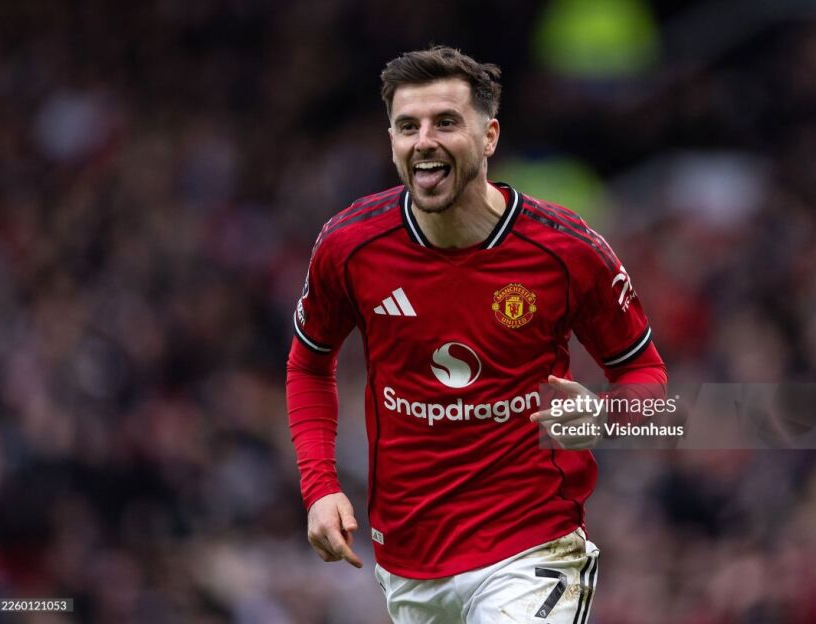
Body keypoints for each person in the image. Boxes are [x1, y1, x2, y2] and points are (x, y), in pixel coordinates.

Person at [286, 46, 667, 623]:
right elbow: (309, 365)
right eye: (407, 126)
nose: (424, 141)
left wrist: (608, 416)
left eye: (445, 122)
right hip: (410, 558)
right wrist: (319, 488)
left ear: (489, 137)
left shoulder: (565, 250)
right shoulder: (351, 246)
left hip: (533, 545)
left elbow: (646, 377)